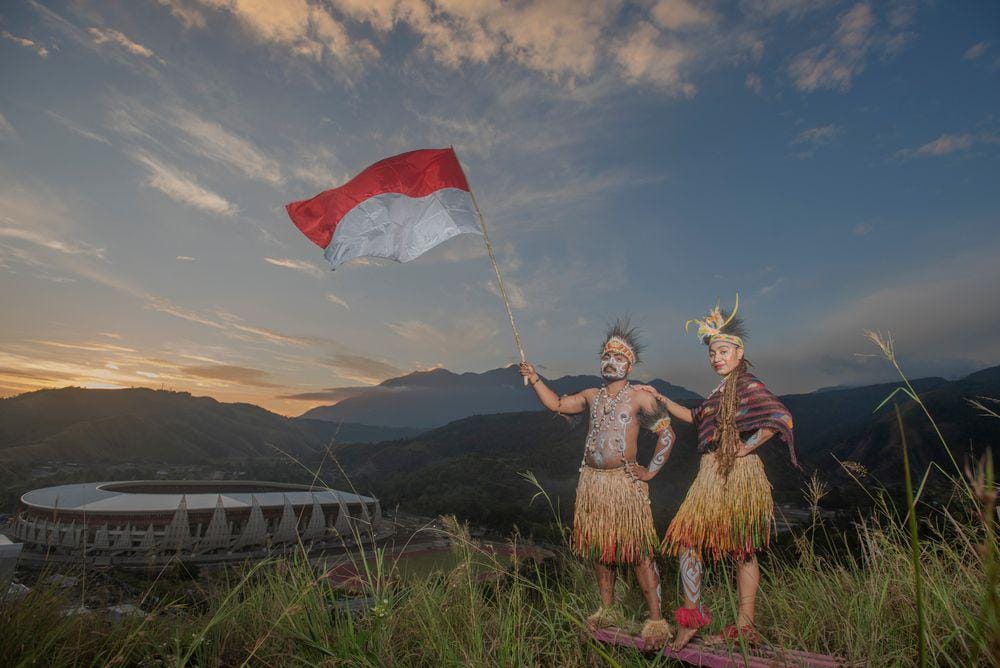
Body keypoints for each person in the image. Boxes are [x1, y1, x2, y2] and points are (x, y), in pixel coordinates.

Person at [636, 297, 796, 651]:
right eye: (712, 353)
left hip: (739, 474)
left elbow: (781, 418)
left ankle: (745, 627)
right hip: (710, 475)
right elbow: (694, 418)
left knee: (743, 549)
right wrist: (660, 397)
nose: (716, 357)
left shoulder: (747, 384)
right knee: (688, 543)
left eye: (723, 351)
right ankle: (692, 619)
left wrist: (746, 446)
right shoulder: (717, 393)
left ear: (739, 353)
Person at [519, 319, 677, 649]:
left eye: (619, 357)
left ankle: (656, 618)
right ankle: (607, 610)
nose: (611, 361)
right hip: (593, 484)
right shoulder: (592, 395)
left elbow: (667, 434)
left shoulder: (640, 398)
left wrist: (649, 471)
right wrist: (534, 378)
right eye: (606, 356)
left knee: (637, 551)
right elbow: (558, 404)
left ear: (630, 364)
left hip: (624, 484)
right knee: (600, 550)